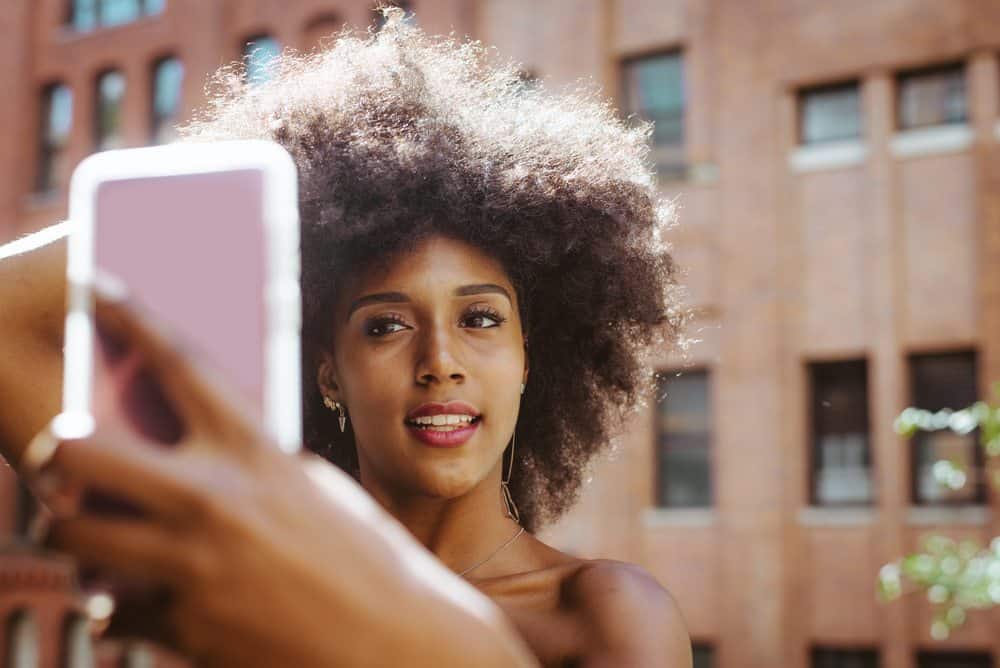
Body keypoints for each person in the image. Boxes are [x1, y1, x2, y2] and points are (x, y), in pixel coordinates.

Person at [0, 10, 691, 667]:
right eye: (386, 326)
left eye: (480, 319)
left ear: (527, 360)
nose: (440, 363)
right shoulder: (237, 570)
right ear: (329, 373)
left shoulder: (605, 612)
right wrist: (279, 197)